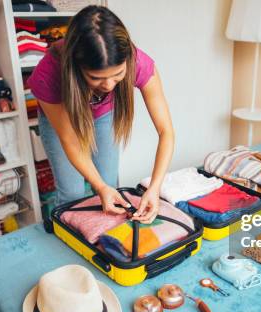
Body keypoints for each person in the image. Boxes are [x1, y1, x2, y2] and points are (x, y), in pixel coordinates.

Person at [27, 5, 173, 224]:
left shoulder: (139, 62)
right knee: (72, 194)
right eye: (96, 78)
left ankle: (105, 240)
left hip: (103, 115)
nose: (108, 85)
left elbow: (166, 131)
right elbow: (72, 142)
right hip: (63, 122)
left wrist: (154, 187)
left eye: (118, 75)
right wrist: (99, 187)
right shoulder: (48, 74)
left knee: (109, 185)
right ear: (77, 67)